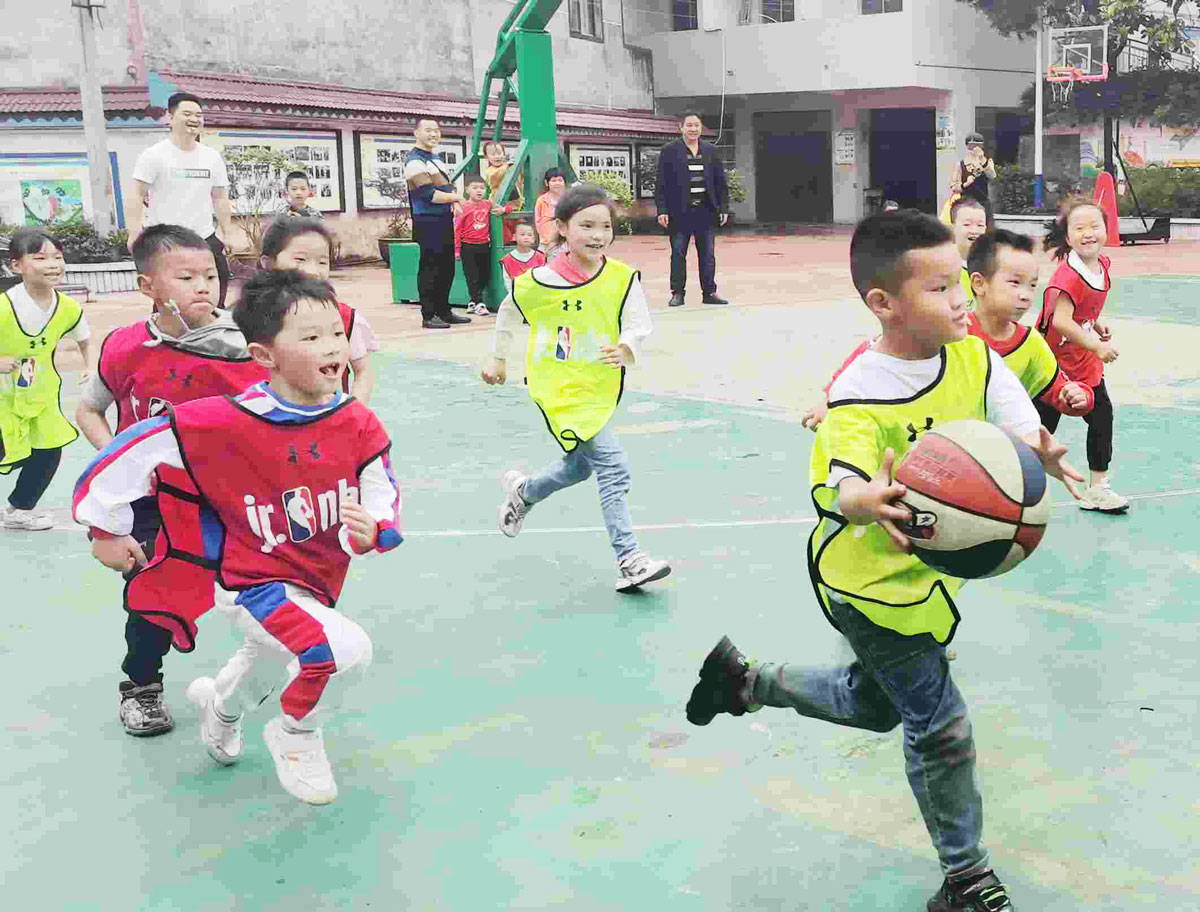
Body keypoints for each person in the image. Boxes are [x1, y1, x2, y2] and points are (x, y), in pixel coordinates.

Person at [686, 211, 1084, 912]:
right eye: (939, 289)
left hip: (918, 577)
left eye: (961, 279)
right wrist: (860, 498)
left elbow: (1014, 412)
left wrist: (1036, 447)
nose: (962, 298)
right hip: (865, 584)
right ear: (884, 304)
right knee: (940, 724)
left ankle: (744, 683)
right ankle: (965, 879)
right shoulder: (858, 396)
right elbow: (834, 481)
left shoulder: (973, 356)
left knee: (876, 707)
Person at [74, 269, 403, 805]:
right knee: (342, 652)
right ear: (264, 355)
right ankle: (295, 732)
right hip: (250, 579)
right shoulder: (219, 421)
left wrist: (375, 527)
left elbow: (380, 482)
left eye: (337, 334)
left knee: (266, 663)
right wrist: (104, 527)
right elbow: (124, 454)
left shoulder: (356, 421)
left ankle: (219, 709)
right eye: (311, 336)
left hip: (316, 577)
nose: (333, 347)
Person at [75, 224, 268, 736]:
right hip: (152, 505)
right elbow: (89, 411)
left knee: (266, 594)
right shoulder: (124, 347)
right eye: (186, 276)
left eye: (210, 275)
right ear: (147, 286)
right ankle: (141, 688)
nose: (204, 286)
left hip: (225, 501)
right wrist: (121, 463)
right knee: (153, 594)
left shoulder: (242, 348)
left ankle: (252, 685)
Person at [482, 184, 671, 591]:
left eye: (605, 226)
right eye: (586, 225)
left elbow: (638, 322)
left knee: (580, 467)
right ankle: (630, 559)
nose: (598, 234)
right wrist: (498, 358)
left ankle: (525, 492)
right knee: (613, 466)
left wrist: (626, 345)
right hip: (558, 389)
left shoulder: (621, 278)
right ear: (563, 228)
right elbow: (507, 313)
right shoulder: (539, 281)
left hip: (599, 385)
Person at [802, 225, 1094, 432]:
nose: (1026, 294)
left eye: (1032, 285)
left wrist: (1077, 396)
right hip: (940, 447)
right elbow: (874, 355)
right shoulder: (951, 330)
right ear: (979, 283)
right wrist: (829, 400)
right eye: (1014, 282)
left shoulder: (1030, 344)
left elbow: (1060, 390)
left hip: (998, 462)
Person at [1036, 198, 1127, 513]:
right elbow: (1060, 321)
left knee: (1102, 415)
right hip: (1053, 361)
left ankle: (1097, 488)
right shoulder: (1068, 275)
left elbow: (1082, 310)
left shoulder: (1101, 265)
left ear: (1106, 228)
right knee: (1041, 429)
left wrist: (1095, 323)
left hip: (1082, 357)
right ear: (1068, 236)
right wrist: (1097, 346)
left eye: (1095, 226)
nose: (1088, 233)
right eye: (1079, 228)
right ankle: (1009, 484)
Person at [0, 228, 90, 531]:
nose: (53, 264)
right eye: (40, 257)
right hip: (3, 397)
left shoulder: (67, 308)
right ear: (16, 266)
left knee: (49, 450)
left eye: (58, 257)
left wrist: (88, 367)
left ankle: (18, 509)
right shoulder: (3, 307)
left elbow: (84, 338)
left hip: (40, 394)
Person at [128, 92, 236, 308]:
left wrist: (228, 233)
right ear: (170, 116)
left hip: (204, 238)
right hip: (167, 242)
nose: (194, 119)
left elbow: (220, 197)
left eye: (198, 115)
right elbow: (136, 194)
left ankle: (213, 338)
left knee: (215, 298)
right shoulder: (154, 155)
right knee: (168, 302)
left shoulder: (211, 157)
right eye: (187, 113)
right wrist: (133, 232)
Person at [259, 218, 378, 403]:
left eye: (322, 262)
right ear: (268, 262)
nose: (313, 271)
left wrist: (352, 412)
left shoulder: (345, 317)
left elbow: (363, 371)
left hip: (328, 424)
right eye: (300, 259)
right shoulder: (252, 318)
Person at [655, 111, 730, 307]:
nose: (693, 129)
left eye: (696, 125)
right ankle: (678, 293)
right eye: (689, 125)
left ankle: (709, 293)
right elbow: (661, 183)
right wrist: (662, 209)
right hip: (679, 212)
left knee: (708, 254)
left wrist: (723, 208)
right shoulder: (669, 151)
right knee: (678, 253)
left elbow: (720, 182)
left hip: (705, 211)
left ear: (701, 128)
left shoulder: (710, 151)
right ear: (681, 128)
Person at [404, 116, 470, 330]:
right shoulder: (414, 160)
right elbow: (428, 194)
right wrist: (457, 199)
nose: (433, 134)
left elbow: (447, 187)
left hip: (442, 219)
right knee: (430, 268)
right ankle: (429, 314)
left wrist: (453, 199)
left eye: (436, 130)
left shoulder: (436, 158)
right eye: (428, 130)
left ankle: (444, 311)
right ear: (416, 133)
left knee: (446, 267)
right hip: (426, 220)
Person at [455, 174, 512, 315]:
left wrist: (505, 210)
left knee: (484, 275)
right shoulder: (463, 207)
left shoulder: (488, 204)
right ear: (467, 190)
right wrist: (457, 250)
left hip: (484, 245)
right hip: (467, 246)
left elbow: (510, 207)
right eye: (475, 188)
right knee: (471, 275)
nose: (479, 191)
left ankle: (473, 301)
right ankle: (479, 303)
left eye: (482, 188)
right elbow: (457, 229)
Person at [949, 196, 988, 308]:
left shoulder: (994, 266)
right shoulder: (940, 267)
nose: (974, 231)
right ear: (953, 228)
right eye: (967, 224)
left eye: (980, 225)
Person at [951, 133, 996, 225]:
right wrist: (965, 184)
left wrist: (982, 160)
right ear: (967, 146)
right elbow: (953, 186)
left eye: (978, 145)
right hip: (966, 203)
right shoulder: (960, 165)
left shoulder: (987, 162)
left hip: (983, 202)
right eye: (972, 146)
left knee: (986, 230)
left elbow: (992, 175)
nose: (975, 149)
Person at [482, 140, 522, 244]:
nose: (497, 157)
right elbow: (495, 176)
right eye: (493, 154)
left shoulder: (508, 167)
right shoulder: (490, 171)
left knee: (520, 231)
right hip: (499, 206)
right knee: (504, 236)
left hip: (512, 206)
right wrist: (506, 167)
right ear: (487, 157)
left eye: (499, 153)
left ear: (504, 154)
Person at [498, 222, 547, 295]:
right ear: (514, 237)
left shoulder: (541, 257)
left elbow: (544, 279)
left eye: (529, 235)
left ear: (534, 238)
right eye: (522, 234)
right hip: (517, 296)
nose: (526, 237)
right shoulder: (508, 259)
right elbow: (508, 282)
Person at [534, 168, 567, 259]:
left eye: (560, 180)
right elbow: (538, 221)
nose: (557, 183)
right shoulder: (542, 200)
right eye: (553, 181)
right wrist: (544, 239)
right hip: (547, 243)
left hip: (565, 242)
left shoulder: (569, 199)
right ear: (546, 183)